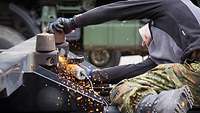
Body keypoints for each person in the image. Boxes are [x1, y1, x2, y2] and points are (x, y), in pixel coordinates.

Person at [48, 0, 200, 112]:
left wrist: (72, 22)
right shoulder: (186, 21)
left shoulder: (166, 3)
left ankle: (160, 108)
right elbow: (137, 69)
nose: (144, 45)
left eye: (146, 40)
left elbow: (118, 10)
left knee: (123, 89)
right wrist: (92, 76)